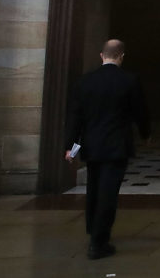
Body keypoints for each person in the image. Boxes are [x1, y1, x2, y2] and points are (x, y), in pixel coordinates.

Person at [64, 39, 150, 260]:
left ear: (102, 56)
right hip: (116, 145)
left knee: (93, 189)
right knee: (108, 193)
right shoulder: (129, 81)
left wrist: (70, 148)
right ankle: (99, 241)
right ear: (121, 56)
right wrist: (145, 134)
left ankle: (93, 230)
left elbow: (75, 117)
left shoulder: (85, 82)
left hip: (92, 145)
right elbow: (140, 112)